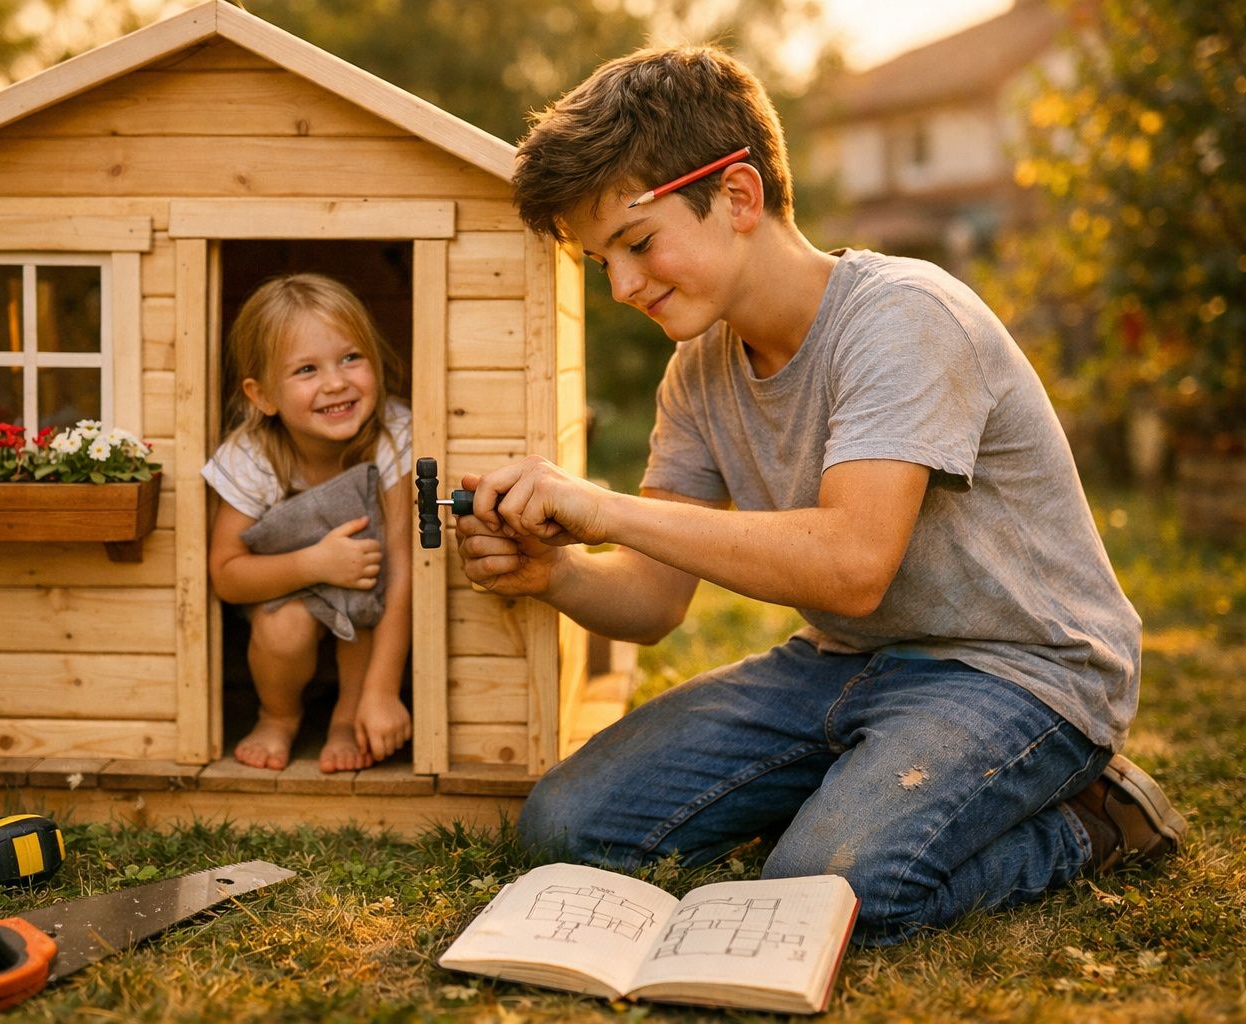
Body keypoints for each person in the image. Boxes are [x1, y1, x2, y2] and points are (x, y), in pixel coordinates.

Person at [456, 45, 1186, 944]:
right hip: (840, 665)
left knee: (823, 891)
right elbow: (649, 602)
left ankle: (1094, 822)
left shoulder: (905, 318)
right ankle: (865, 780)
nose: (623, 287)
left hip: (1020, 670)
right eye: (602, 261)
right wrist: (553, 573)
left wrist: (598, 507)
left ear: (738, 197)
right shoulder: (696, 374)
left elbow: (852, 568)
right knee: (566, 827)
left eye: (637, 244)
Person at [205, 273, 412, 773]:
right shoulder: (250, 455)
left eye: (350, 358)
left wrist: (383, 693)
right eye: (305, 369)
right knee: (286, 627)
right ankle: (278, 716)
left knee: (369, 587)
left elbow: (405, 565)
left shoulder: (394, 433)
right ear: (262, 396)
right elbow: (227, 575)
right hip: (284, 592)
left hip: (365, 590)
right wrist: (314, 564)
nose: (336, 383)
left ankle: (348, 719)